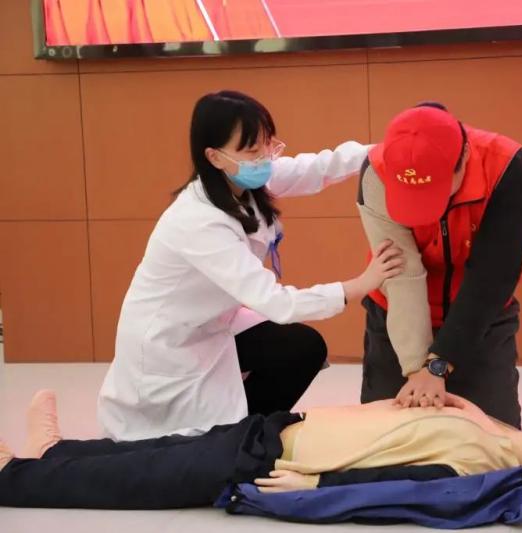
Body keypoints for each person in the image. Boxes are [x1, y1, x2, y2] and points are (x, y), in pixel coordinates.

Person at [97, 91, 404, 441]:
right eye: (252, 149)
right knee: (182, 436)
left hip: (212, 322)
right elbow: (277, 303)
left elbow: (318, 168)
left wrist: (383, 151)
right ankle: (232, 441)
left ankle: (245, 433)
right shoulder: (198, 220)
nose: (264, 158)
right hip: (170, 345)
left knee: (301, 348)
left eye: (267, 144)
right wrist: (361, 284)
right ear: (214, 156)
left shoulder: (244, 179)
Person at [0, 390, 522, 509]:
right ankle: (55, 450)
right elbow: (462, 411)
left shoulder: (483, 464)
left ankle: (15, 478)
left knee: (150, 474)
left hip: (280, 461)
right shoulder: (497, 433)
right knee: (164, 447)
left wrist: (318, 488)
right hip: (286, 428)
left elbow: (403, 484)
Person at [356, 103, 522, 429]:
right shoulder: (376, 171)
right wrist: (417, 368)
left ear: (464, 157)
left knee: (494, 434)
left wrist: (438, 364)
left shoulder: (506, 166)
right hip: (397, 313)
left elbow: (493, 275)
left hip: (480, 317)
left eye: (432, 190)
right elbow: (401, 271)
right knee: (386, 434)